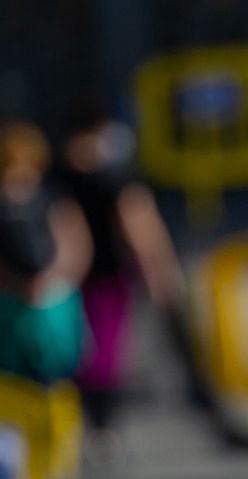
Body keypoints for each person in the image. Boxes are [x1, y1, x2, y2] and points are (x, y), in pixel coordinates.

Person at [56, 100, 187, 448]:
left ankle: (80, 424)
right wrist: (161, 273)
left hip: (62, 279)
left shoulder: (55, 177)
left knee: (71, 352)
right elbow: (142, 230)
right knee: (105, 355)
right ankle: (100, 427)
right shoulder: (115, 178)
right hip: (106, 277)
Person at [0, 121, 92, 384]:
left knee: (57, 379)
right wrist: (15, 283)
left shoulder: (53, 198)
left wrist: (51, 280)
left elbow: (76, 247)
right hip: (10, 309)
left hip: (53, 307)